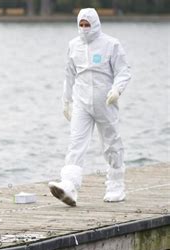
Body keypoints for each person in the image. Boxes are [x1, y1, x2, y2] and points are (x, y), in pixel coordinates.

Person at [48, 8, 131, 206]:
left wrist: (117, 90)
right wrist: (66, 101)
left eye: (88, 24)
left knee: (111, 142)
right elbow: (69, 75)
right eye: (81, 25)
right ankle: (69, 186)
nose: (84, 29)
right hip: (81, 103)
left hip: (105, 101)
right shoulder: (73, 45)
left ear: (95, 24)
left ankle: (115, 185)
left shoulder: (111, 44)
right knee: (76, 143)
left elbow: (124, 71)